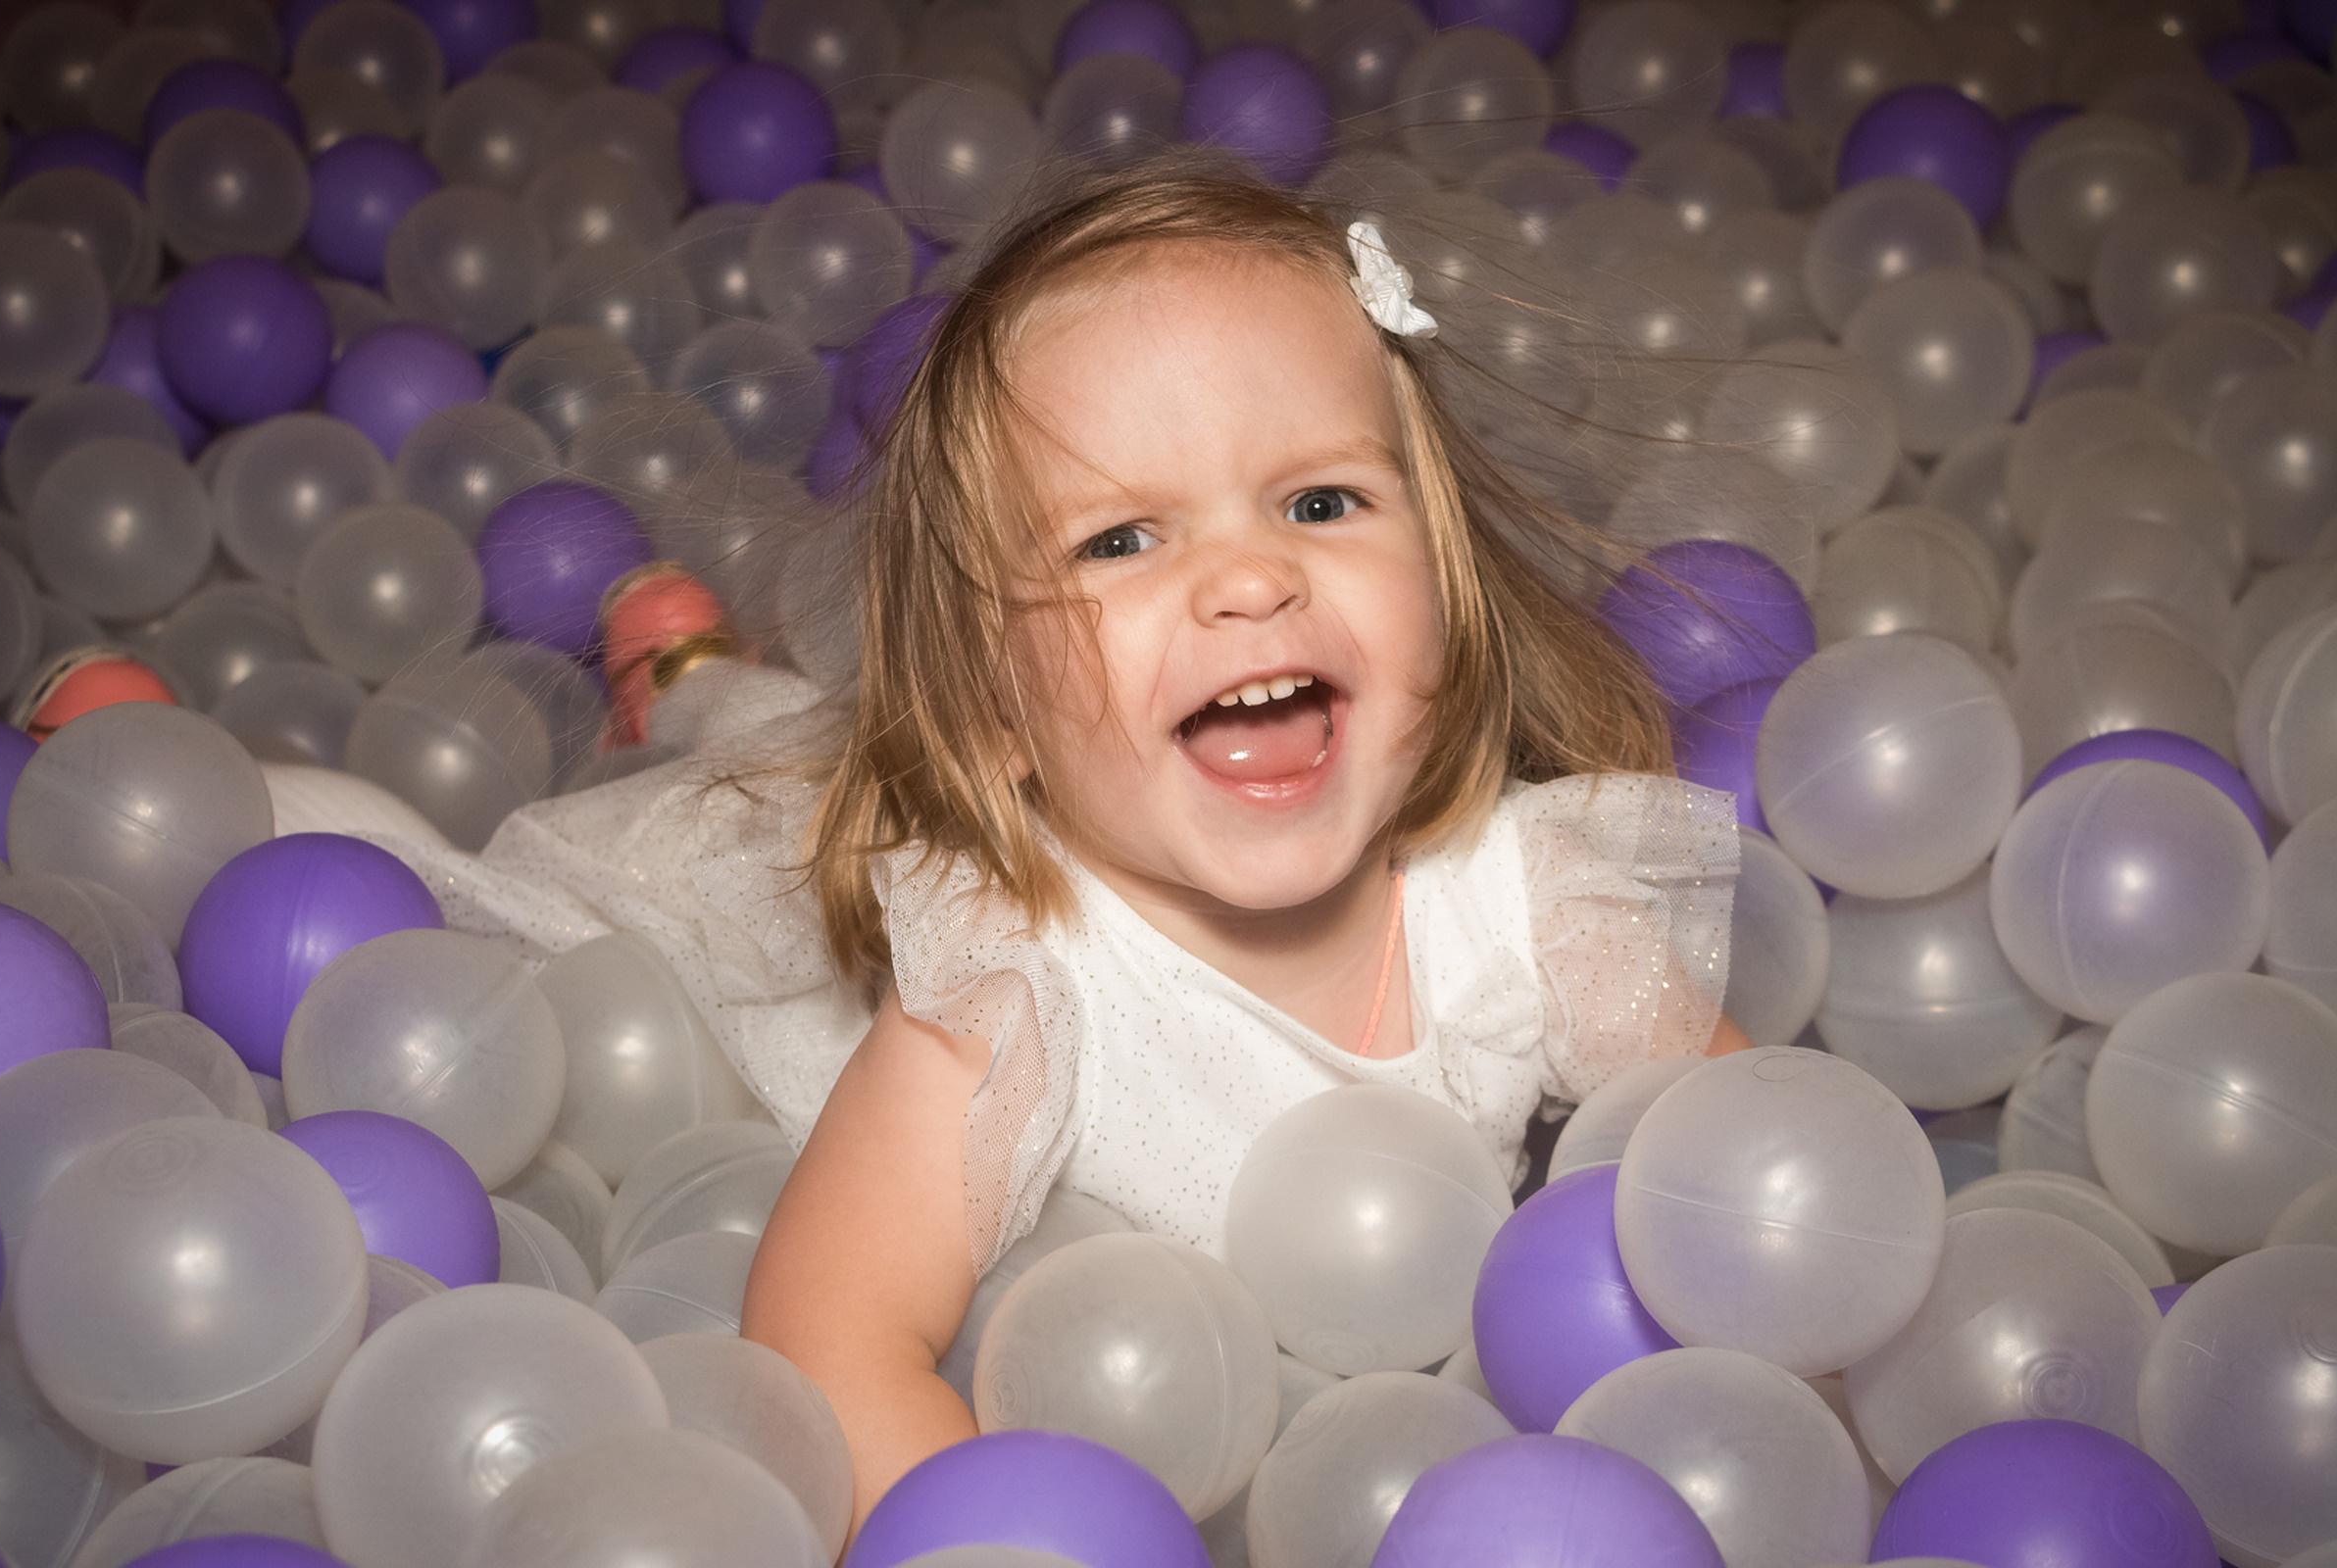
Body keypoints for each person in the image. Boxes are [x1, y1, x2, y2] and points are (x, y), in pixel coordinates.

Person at [368, 161, 1745, 1541]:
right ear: (997, 706)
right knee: (761, 781)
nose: (1250, 577)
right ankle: (677, 671)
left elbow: (1758, 1180)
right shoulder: (1011, 991)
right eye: (1121, 539)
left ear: (1442, 582)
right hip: (821, 874)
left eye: (1320, 502)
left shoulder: (1537, 910)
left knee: (798, 740)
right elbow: (826, 1336)